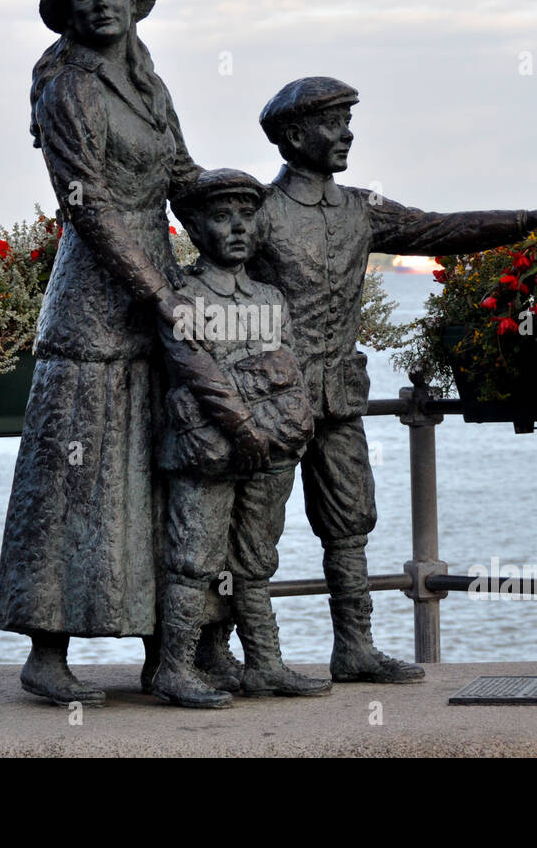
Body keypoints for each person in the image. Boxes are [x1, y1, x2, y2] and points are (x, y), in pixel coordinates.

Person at [0, 0, 267, 706]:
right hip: (93, 304)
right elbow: (88, 205)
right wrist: (159, 291)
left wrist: (250, 217)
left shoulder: (149, 87)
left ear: (138, 1)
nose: (99, 2)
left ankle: (166, 649)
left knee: (157, 469)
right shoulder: (66, 88)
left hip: (155, 296)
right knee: (73, 476)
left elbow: (181, 178)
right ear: (64, 8)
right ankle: (46, 651)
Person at [249, 76, 537, 683]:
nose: (347, 133)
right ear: (293, 135)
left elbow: (441, 230)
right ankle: (255, 659)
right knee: (255, 529)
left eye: (348, 120)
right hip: (273, 400)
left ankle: (353, 648)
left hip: (338, 396)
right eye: (333, 122)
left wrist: (527, 220)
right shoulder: (257, 212)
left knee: (350, 521)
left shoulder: (360, 209)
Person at [152, 168, 330, 708]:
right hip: (206, 450)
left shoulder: (270, 298)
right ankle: (175, 667)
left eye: (247, 217)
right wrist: (255, 392)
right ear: (195, 229)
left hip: (271, 451)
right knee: (194, 559)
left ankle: (264, 663)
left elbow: (289, 368)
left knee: (256, 559)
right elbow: (194, 370)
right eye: (221, 217)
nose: (237, 228)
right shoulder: (180, 296)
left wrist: (264, 397)